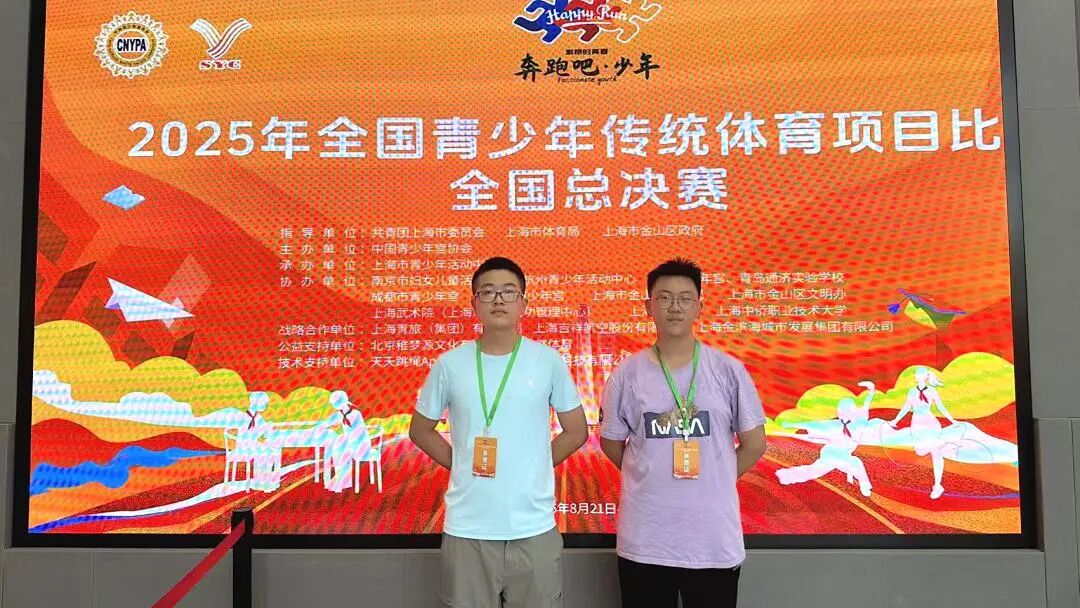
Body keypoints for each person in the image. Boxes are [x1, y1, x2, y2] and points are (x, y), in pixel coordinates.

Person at [410, 256, 588, 608]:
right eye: (487, 292)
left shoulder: (547, 360)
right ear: (473, 303)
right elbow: (421, 430)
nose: (498, 300)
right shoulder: (450, 364)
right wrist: (463, 464)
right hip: (468, 528)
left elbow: (576, 430)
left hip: (533, 527)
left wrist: (533, 465)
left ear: (524, 303)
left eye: (508, 292)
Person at [599, 258, 767, 608]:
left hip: (712, 541)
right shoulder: (626, 374)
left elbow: (754, 444)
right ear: (648, 307)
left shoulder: (728, 370)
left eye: (684, 298)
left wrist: (716, 476)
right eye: (664, 298)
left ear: (699, 307)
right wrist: (648, 472)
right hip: (645, 541)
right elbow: (611, 442)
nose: (674, 306)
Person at [888, 366, 958, 499]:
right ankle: (943, 445)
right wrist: (895, 420)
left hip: (931, 423)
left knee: (935, 452)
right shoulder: (912, 391)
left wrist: (952, 420)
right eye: (916, 374)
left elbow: (941, 407)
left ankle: (937, 485)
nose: (917, 376)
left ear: (926, 377)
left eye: (920, 374)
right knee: (920, 451)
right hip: (917, 425)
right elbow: (906, 407)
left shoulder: (932, 391)